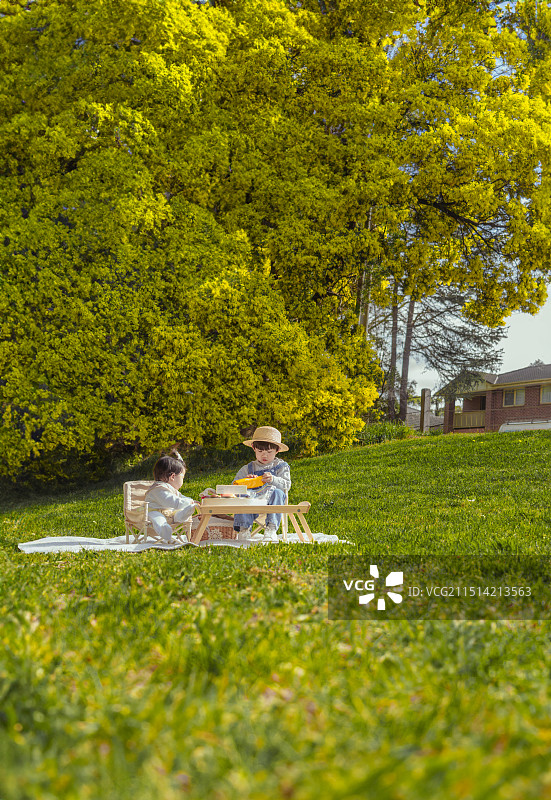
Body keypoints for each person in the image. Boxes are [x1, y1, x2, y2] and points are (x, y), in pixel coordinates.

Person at [232, 426, 291, 543]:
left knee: (278, 492)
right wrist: (246, 482)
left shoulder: (281, 466)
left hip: (271, 503)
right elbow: (233, 487)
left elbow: (287, 485)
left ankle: (271, 528)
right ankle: (244, 529)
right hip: (252, 504)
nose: (265, 456)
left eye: (269, 452)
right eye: (260, 451)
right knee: (242, 494)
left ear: (277, 450)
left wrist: (273, 479)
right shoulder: (249, 468)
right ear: (254, 448)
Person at [145, 453, 199, 543]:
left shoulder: (171, 489)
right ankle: (164, 529)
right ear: (173, 477)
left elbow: (181, 497)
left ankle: (184, 514)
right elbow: (175, 503)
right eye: (182, 477)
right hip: (154, 512)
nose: (183, 481)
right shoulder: (158, 489)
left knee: (176, 514)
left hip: (169, 514)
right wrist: (189, 501)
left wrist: (192, 501)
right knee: (158, 519)